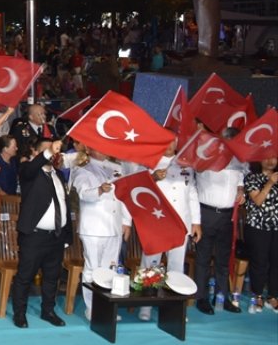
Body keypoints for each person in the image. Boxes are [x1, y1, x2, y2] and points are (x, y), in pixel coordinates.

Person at [130, 142, 201, 321]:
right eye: (167, 141)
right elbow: (136, 186)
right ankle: (144, 305)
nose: (171, 145)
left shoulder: (186, 164)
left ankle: (173, 309)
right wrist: (152, 178)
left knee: (176, 267)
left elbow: (192, 192)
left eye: (174, 141)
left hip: (180, 224)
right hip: (157, 223)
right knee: (150, 266)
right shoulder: (149, 162)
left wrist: (196, 222)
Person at [10, 139, 70, 328]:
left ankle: (48, 311)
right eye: (46, 151)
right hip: (34, 236)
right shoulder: (29, 172)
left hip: (56, 236)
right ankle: (20, 313)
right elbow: (30, 168)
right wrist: (47, 151)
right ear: (35, 152)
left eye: (53, 151)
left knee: (52, 276)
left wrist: (66, 236)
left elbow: (64, 206)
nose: (51, 153)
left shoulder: (59, 175)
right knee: (25, 276)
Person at [193, 130, 247, 314]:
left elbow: (240, 182)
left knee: (223, 259)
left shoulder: (239, 161)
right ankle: (201, 298)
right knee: (203, 258)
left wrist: (241, 192)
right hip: (206, 213)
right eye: (230, 142)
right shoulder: (206, 155)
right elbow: (196, 169)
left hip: (227, 216)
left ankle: (222, 297)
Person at [70, 145, 126, 320]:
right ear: (89, 150)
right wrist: (100, 190)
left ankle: (107, 306)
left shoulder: (117, 168)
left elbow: (125, 196)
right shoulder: (82, 169)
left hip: (114, 225)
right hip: (94, 226)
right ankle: (92, 307)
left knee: (110, 268)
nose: (103, 149)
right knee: (92, 268)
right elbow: (84, 194)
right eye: (97, 146)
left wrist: (126, 222)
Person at [243, 156, 278, 311]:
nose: (271, 161)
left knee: (276, 262)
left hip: (276, 227)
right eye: (267, 157)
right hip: (258, 226)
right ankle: (257, 294)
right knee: (259, 261)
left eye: (274, 157)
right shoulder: (252, 178)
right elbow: (258, 201)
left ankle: (273, 295)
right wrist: (270, 183)